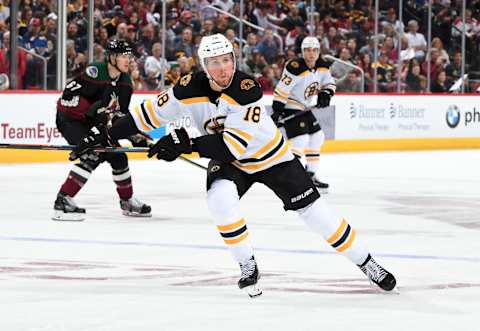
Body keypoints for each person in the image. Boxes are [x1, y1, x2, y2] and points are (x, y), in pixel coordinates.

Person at [71, 34, 397, 297]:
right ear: (204, 66)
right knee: (219, 201)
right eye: (215, 63)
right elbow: (144, 116)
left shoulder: (247, 89)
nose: (223, 68)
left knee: (318, 217)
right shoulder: (187, 88)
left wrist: (184, 144)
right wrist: (100, 133)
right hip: (233, 164)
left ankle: (368, 264)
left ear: (234, 60)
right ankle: (247, 264)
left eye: (227, 61)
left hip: (272, 158)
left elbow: (231, 146)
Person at [53, 40, 151, 221]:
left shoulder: (126, 84)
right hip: (71, 121)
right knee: (93, 154)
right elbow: (68, 96)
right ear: (112, 57)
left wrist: (134, 134)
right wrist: (90, 119)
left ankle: (127, 200)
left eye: (129, 57)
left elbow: (119, 115)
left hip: (96, 125)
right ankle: (63, 200)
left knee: (119, 156)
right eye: (123, 56)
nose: (128, 60)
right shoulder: (95, 72)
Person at [271, 36, 336, 191]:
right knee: (300, 140)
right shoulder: (295, 67)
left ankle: (310, 175)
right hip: (290, 105)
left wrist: (326, 93)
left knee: (317, 137)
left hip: (304, 106)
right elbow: (282, 89)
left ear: (319, 51)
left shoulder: (322, 66)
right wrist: (277, 111)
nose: (311, 54)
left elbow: (329, 83)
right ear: (302, 52)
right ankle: (290, 176)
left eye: (314, 50)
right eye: (307, 50)